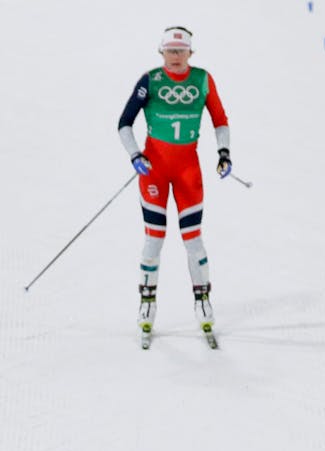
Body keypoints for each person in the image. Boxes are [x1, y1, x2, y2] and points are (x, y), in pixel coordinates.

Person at [117, 25, 232, 341]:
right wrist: (135, 155)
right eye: (170, 50)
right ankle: (147, 304)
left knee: (193, 240)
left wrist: (224, 153)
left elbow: (219, 120)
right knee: (154, 239)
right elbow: (124, 123)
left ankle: (203, 303)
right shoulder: (150, 80)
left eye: (182, 51)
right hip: (153, 171)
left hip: (187, 172)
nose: (176, 57)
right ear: (162, 52)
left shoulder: (202, 80)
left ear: (191, 53)